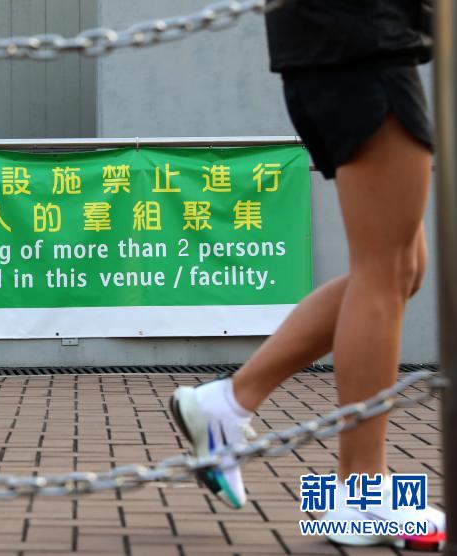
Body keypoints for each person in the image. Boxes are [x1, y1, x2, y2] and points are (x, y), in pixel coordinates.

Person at [171, 0, 446, 550]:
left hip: (336, 46)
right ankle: (362, 490)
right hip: (364, 43)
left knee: (402, 269)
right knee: (385, 273)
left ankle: (227, 402)